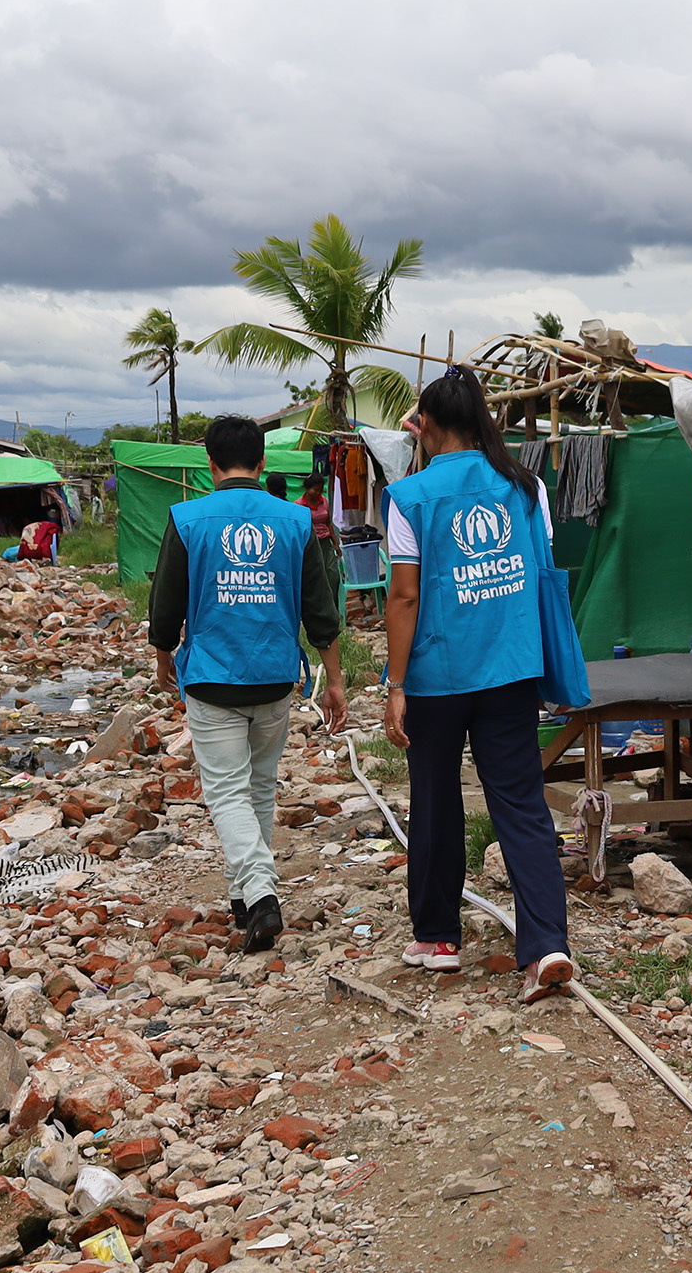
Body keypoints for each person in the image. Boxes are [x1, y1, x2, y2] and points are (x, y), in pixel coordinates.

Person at [382, 366, 574, 1000]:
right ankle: (545, 946)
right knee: (520, 804)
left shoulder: (409, 496)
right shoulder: (525, 488)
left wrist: (396, 685)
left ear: (427, 425)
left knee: (434, 800)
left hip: (437, 676)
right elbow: (538, 570)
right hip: (510, 668)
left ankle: (438, 937)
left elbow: (405, 597)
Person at [150, 416, 346, 953]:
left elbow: (165, 602)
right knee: (258, 786)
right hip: (277, 678)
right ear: (262, 463)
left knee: (228, 793)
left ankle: (260, 896)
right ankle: (243, 899)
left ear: (210, 464)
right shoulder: (295, 521)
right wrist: (335, 679)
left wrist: (164, 652)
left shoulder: (187, 518)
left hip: (213, 678)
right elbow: (319, 608)